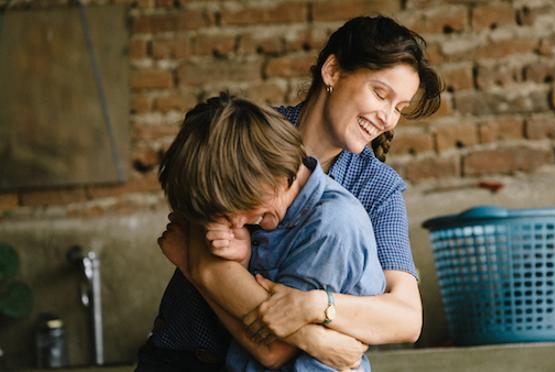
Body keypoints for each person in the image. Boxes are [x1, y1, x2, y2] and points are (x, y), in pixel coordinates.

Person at [144, 14, 443, 371]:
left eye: (400, 108)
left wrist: (316, 306)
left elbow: (406, 318)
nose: (388, 119)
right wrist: (317, 338)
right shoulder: (248, 134)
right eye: (380, 94)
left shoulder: (376, 188)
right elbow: (207, 262)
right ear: (332, 71)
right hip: (185, 359)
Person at [138, 92, 386, 371]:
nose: (235, 223)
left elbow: (272, 349)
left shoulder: (331, 226)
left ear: (274, 176)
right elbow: (253, 316)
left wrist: (193, 266)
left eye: (237, 209)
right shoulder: (266, 207)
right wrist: (239, 260)